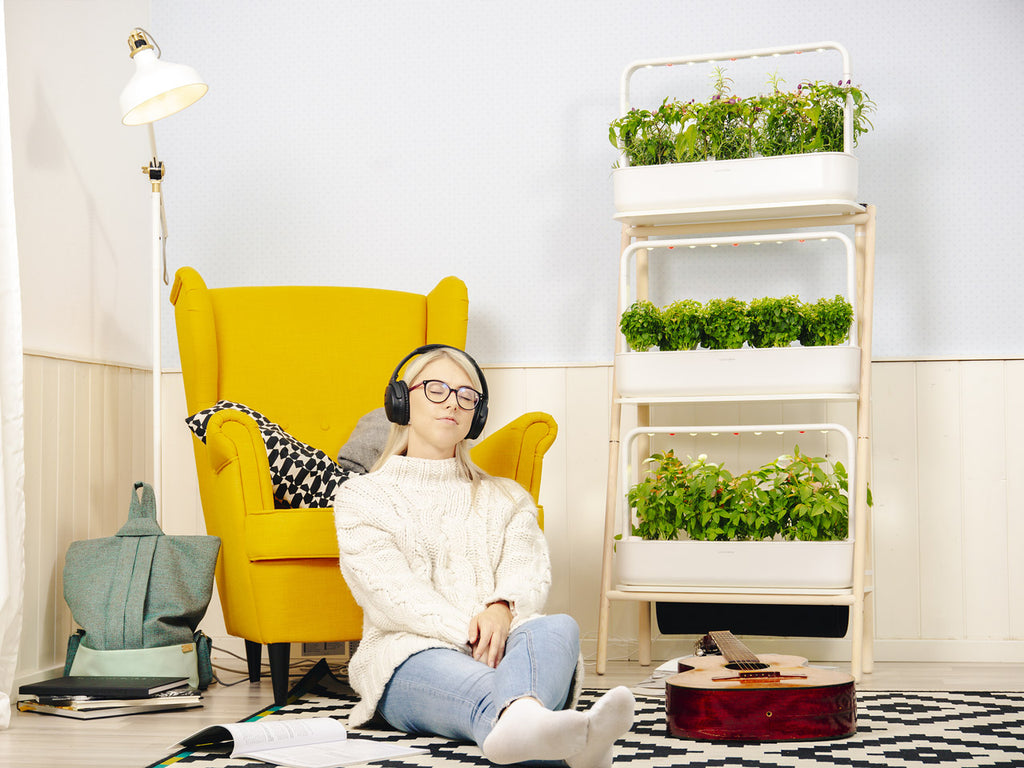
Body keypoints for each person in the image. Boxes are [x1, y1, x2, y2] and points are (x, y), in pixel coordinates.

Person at [333, 344, 635, 767]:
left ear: (477, 414)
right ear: (401, 399)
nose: (452, 403)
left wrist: (500, 609)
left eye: (466, 396)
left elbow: (526, 572)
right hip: (409, 657)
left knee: (558, 628)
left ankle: (524, 725)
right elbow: (390, 592)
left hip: (508, 645)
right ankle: (567, 744)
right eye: (436, 389)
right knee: (470, 676)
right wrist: (474, 635)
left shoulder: (508, 497)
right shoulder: (361, 498)